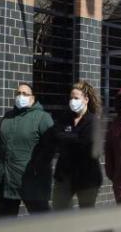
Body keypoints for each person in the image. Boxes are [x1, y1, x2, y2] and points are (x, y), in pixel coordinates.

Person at [0, 82, 54, 217]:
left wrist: (37, 167)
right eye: (18, 93)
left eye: (25, 94)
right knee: (5, 224)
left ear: (33, 98)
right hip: (6, 181)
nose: (20, 96)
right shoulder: (8, 117)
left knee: (43, 221)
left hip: (30, 181)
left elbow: (51, 146)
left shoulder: (42, 118)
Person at [51, 80, 103, 210]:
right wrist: (76, 137)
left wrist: (67, 137)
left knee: (86, 215)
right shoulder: (64, 118)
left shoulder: (93, 121)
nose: (72, 101)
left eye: (76, 98)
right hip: (64, 175)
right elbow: (55, 136)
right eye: (71, 98)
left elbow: (86, 143)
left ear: (86, 99)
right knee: (59, 211)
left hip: (87, 177)